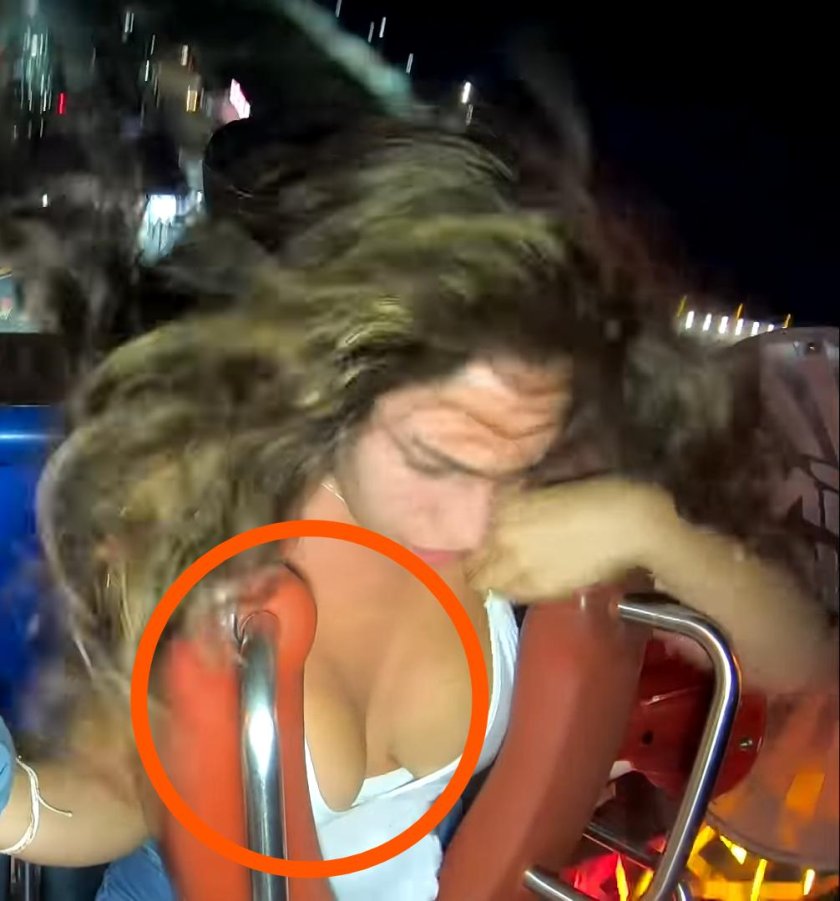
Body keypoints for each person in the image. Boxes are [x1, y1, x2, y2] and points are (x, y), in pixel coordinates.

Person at [0, 123, 836, 900]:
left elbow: (798, 660)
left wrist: (654, 526)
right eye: (435, 461)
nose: (473, 525)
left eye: (522, 454)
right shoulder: (211, 528)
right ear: (325, 390)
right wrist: (14, 803)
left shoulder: (507, 508)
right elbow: (123, 791)